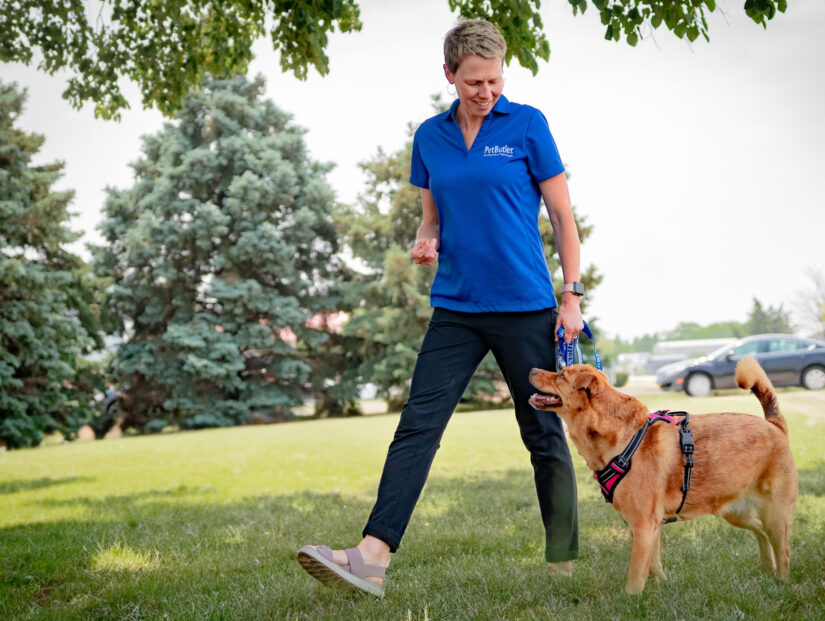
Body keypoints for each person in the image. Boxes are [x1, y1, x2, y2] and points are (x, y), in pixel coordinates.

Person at [298, 18, 584, 598]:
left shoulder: (528, 125)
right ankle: (371, 558)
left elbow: (562, 219)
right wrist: (426, 240)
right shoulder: (430, 136)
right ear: (449, 74)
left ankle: (562, 563)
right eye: (474, 81)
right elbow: (432, 217)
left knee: (543, 434)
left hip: (526, 304)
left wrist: (571, 295)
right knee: (418, 426)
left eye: (495, 80)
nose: (487, 92)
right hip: (455, 304)